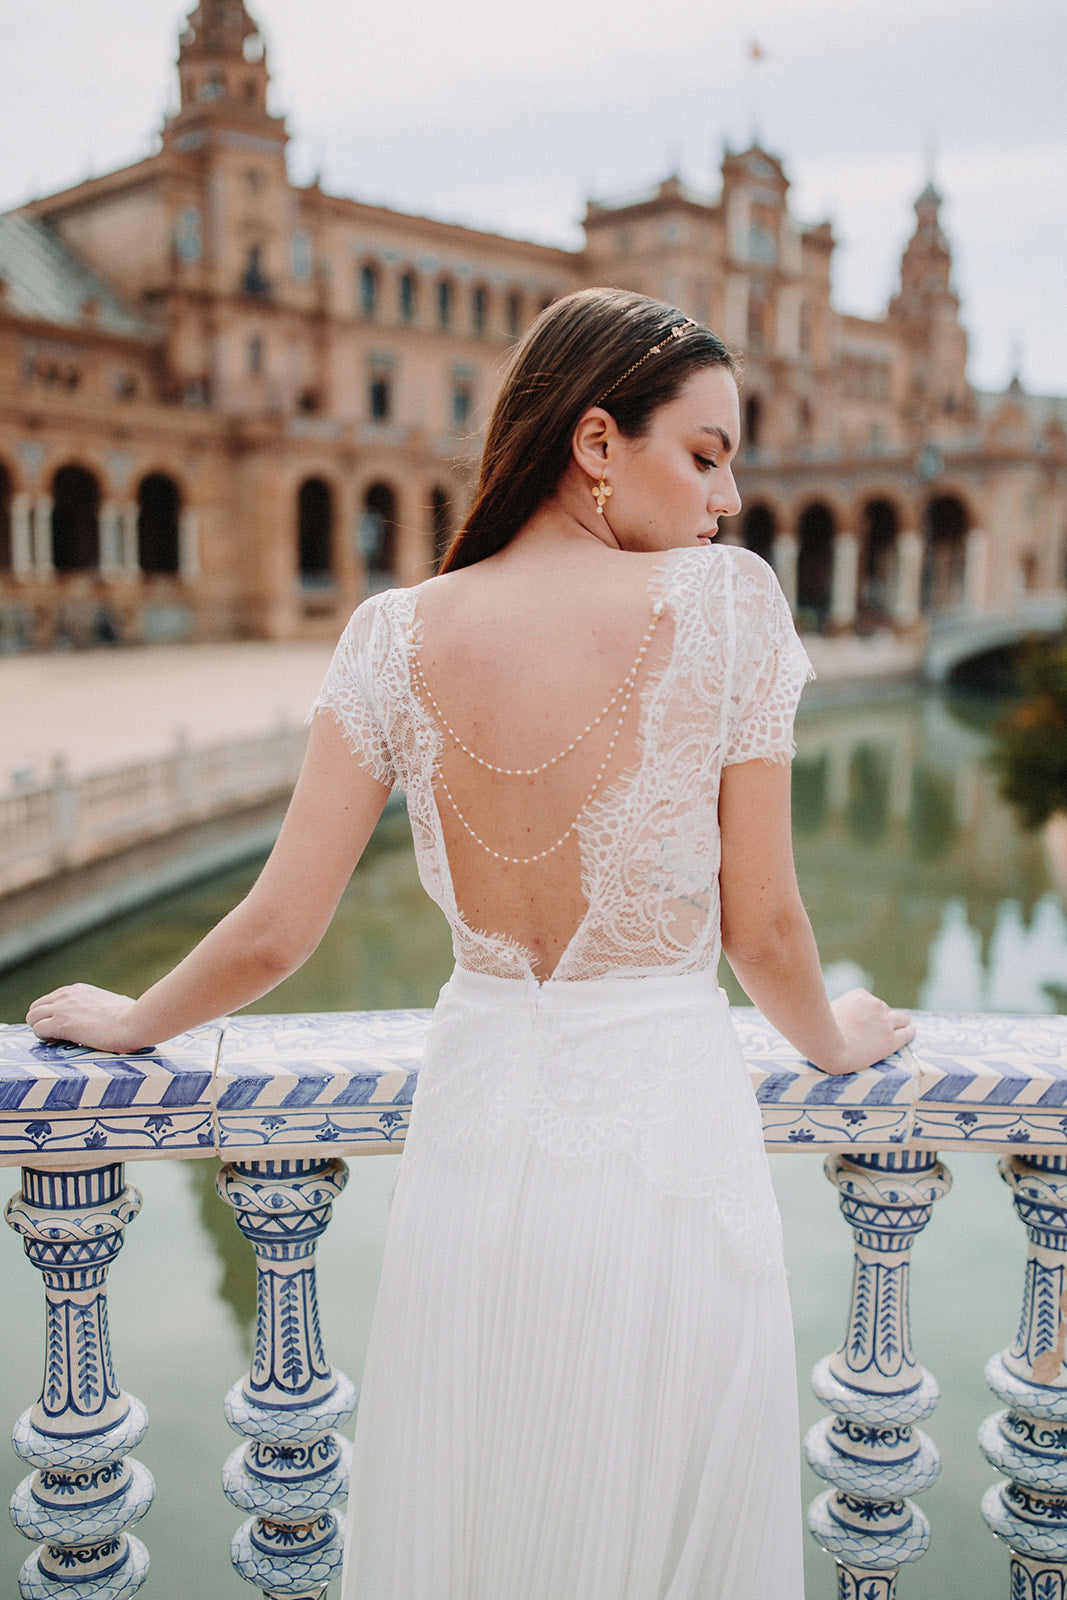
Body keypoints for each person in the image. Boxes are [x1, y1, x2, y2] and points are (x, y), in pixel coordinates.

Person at [28, 287, 915, 1600]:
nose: (730, 500)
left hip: (474, 1142)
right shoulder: (728, 608)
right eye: (708, 454)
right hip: (664, 1139)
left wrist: (135, 1022)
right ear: (597, 442)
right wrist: (837, 1037)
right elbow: (767, 927)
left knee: (481, 1502)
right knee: (659, 1511)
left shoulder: (393, 636)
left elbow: (277, 928)